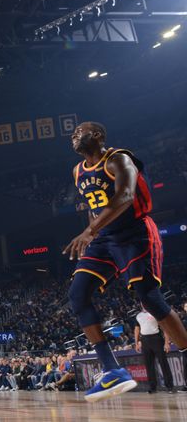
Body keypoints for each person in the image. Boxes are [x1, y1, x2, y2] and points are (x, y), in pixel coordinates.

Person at [64, 122, 187, 402]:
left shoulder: (118, 158)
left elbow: (126, 195)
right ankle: (112, 370)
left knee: (150, 299)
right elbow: (94, 208)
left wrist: (88, 231)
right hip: (103, 239)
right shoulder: (77, 172)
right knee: (78, 295)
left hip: (135, 233)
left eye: (79, 131)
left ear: (96, 135)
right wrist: (91, 235)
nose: (73, 136)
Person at [135, 305, 174, 393]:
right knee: (149, 365)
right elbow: (137, 329)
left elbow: (164, 327)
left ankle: (170, 386)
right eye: (142, 302)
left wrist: (166, 342)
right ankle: (152, 387)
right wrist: (136, 342)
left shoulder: (155, 312)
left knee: (163, 362)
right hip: (144, 340)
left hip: (156, 338)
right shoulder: (138, 316)